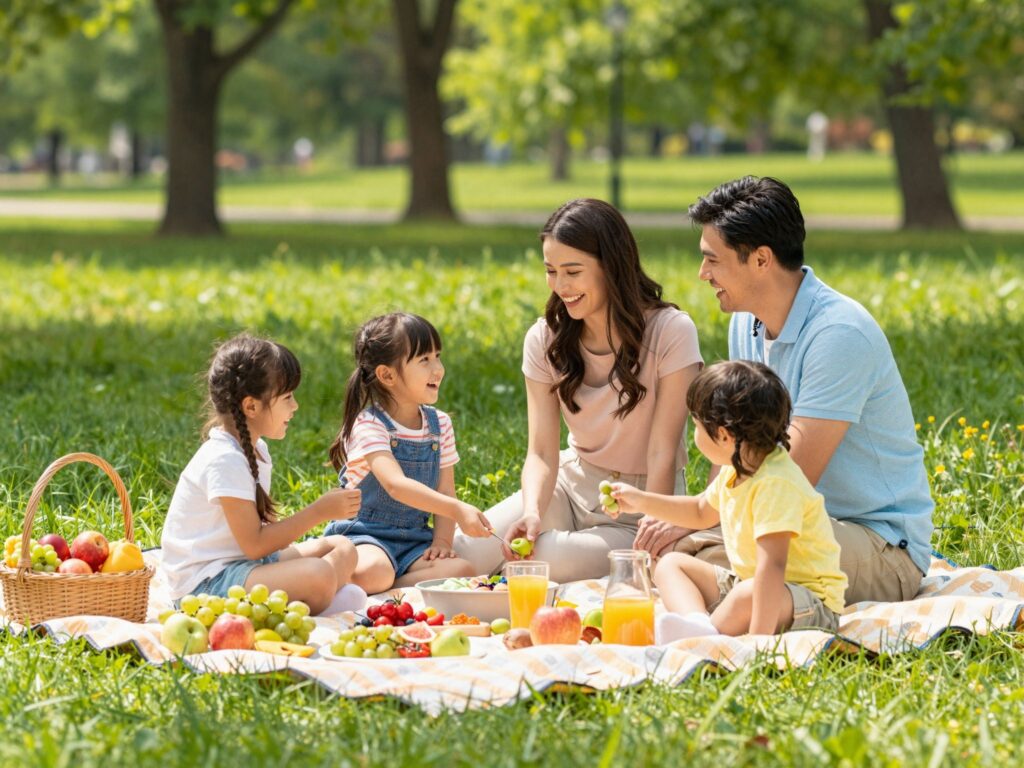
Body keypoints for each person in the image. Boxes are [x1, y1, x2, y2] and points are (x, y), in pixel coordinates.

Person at [639, 176, 933, 604]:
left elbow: (793, 471)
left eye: (712, 260)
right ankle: (719, 609)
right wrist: (702, 514)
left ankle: (733, 609)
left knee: (733, 549)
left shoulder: (839, 334)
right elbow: (735, 446)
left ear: (760, 260)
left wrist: (703, 519)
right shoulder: (747, 320)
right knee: (675, 552)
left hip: (880, 545)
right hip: (789, 516)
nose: (703, 274)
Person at [453, 198, 703, 582]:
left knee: (540, 559)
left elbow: (662, 451)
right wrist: (532, 510)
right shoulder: (545, 338)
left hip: (640, 504)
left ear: (611, 266)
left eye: (573, 271)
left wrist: (655, 526)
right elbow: (540, 452)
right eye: (551, 271)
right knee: (467, 549)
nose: (560, 286)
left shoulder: (670, 331)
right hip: (569, 485)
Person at [611, 361, 846, 641]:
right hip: (750, 584)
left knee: (748, 593)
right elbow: (700, 512)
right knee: (671, 564)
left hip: (809, 601)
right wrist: (640, 500)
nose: (694, 433)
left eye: (697, 426)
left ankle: (705, 639)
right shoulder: (736, 469)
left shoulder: (775, 484)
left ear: (724, 436)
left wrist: (759, 641)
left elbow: (772, 567)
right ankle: (698, 623)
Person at [162, 334, 364, 616]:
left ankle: (319, 596)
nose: (295, 407)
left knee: (343, 546)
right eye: (288, 397)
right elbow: (255, 544)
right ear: (251, 406)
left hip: (242, 565)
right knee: (319, 573)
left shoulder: (255, 449)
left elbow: (258, 545)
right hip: (207, 585)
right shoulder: (224, 460)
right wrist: (320, 511)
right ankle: (320, 595)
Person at [325, 312, 493, 593]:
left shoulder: (440, 425)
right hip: (364, 536)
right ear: (387, 375)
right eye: (424, 360)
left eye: (437, 356)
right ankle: (380, 582)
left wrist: (441, 543)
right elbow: (395, 485)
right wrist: (457, 510)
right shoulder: (369, 424)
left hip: (414, 541)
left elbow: (446, 490)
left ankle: (394, 587)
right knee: (373, 572)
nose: (437, 368)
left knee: (462, 571)